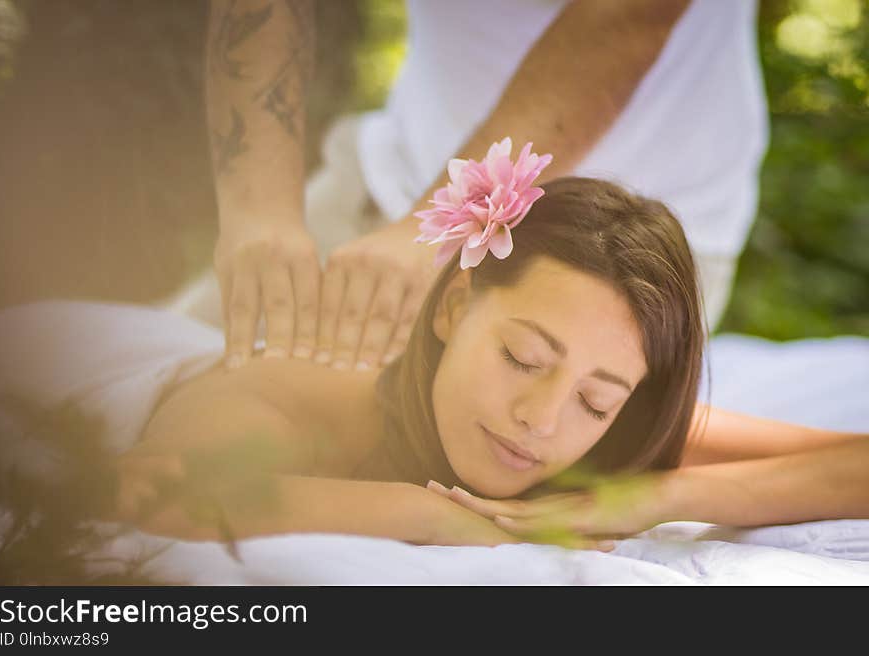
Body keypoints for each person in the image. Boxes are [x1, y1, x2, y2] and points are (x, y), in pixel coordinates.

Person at [112, 171, 868, 549]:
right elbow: (146, 494)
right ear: (450, 307)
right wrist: (432, 517)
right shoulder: (287, 408)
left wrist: (650, 499)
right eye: (522, 356)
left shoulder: (602, 427)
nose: (541, 419)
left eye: (598, 401)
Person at [200, 0, 768, 373]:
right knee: (150, 390)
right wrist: (259, 213)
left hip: (625, 256)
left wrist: (444, 225)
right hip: (387, 182)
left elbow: (628, 15)